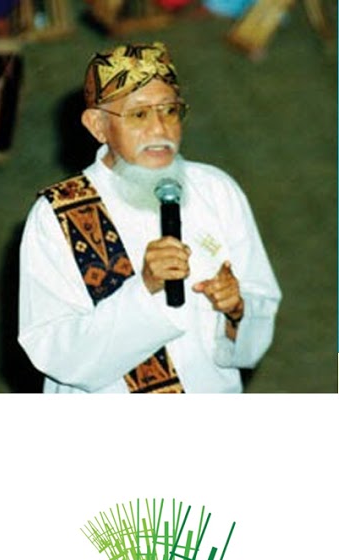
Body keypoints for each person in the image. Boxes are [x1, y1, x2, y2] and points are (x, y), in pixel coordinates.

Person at [17, 42, 280, 393]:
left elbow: (258, 313)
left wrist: (237, 311)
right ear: (97, 126)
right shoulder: (59, 215)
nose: (160, 130)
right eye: (139, 115)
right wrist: (144, 290)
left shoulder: (216, 190)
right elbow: (54, 350)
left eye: (169, 111)